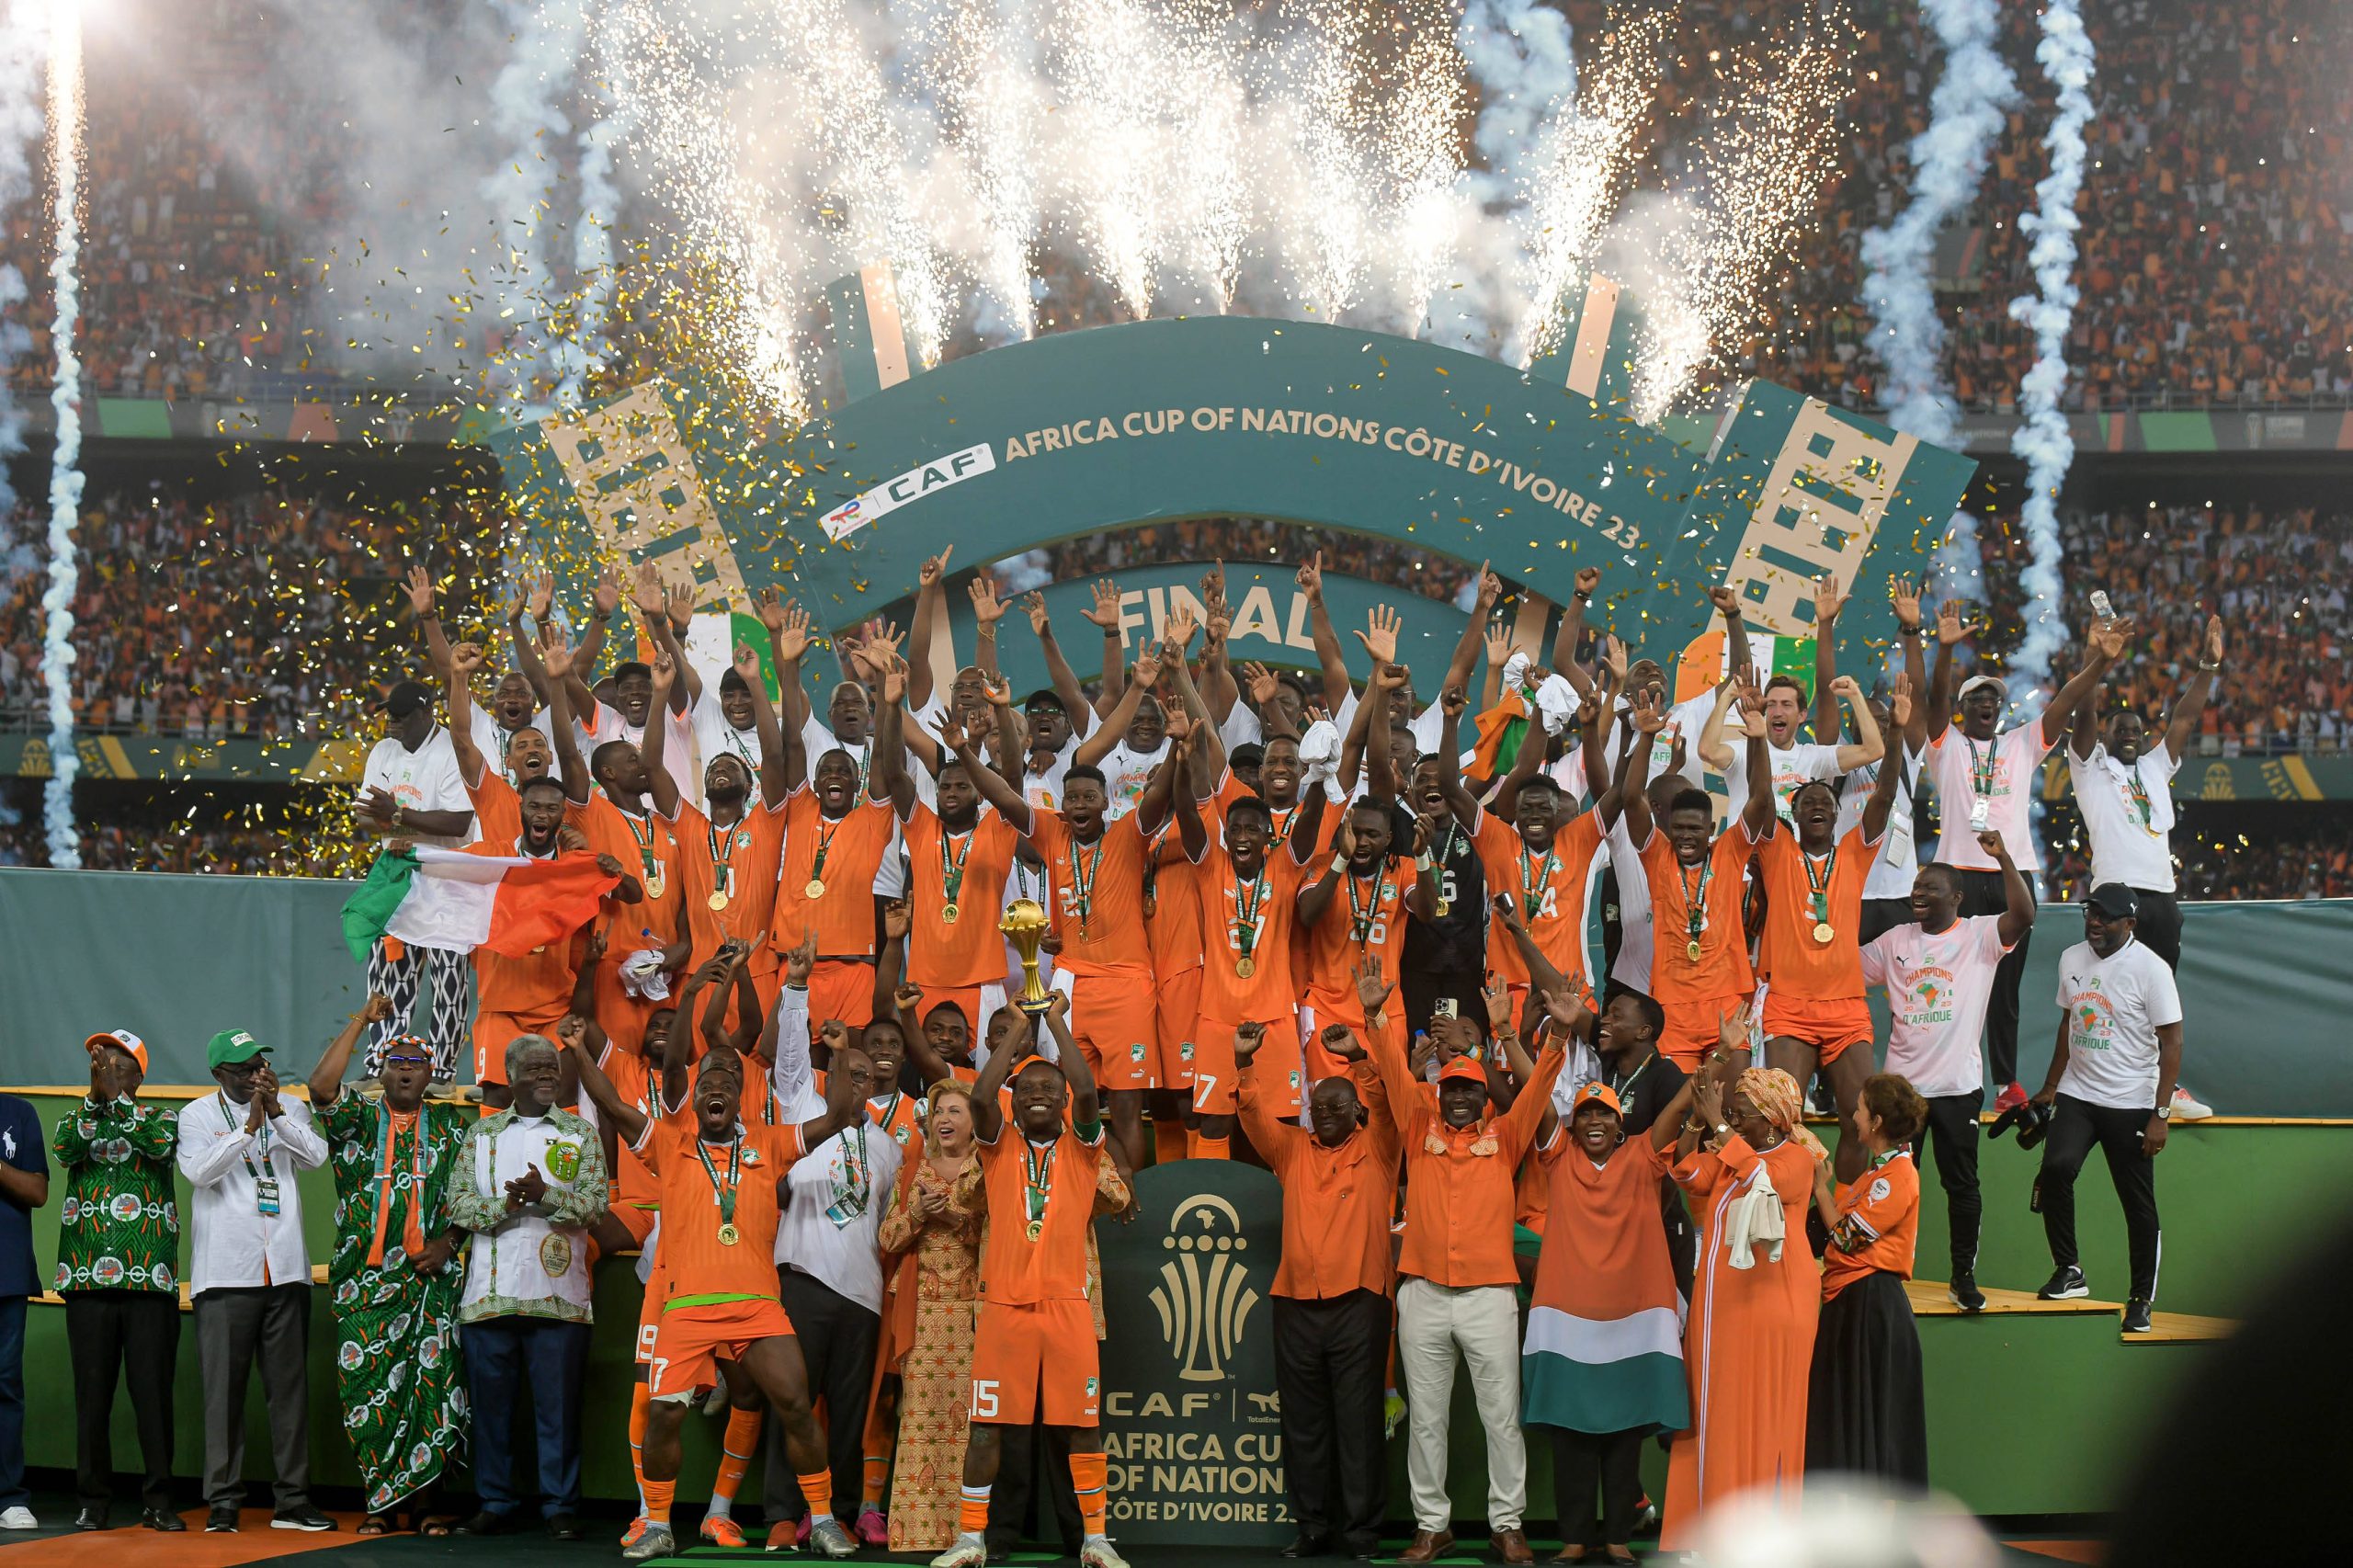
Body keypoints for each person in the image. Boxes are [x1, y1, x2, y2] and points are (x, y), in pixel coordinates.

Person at [575, 986, 866, 1560]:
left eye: (727, 1084)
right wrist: (579, 1050)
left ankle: (826, 1518)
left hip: (758, 1305)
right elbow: (610, 1104)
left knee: (797, 1407)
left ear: (740, 1097)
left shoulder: (769, 1143)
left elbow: (835, 1118)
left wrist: (837, 1052)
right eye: (707, 1081)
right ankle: (657, 1523)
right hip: (685, 1307)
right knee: (662, 1415)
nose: (717, 1088)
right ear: (694, 1094)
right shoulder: (667, 1142)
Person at [1363, 956, 1564, 1567]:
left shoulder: (1505, 1138)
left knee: (1501, 1418)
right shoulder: (1416, 1123)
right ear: (1438, 1092)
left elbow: (1540, 1087)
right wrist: (1373, 1018)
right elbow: (1395, 1075)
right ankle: (1433, 1526)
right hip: (1422, 1292)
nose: (1457, 1098)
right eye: (1449, 1088)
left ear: (1483, 1095)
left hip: (1487, 1298)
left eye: (1468, 1089)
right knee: (1427, 1422)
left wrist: (1516, 1033)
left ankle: (1507, 1525)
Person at [927, 993, 1124, 1568]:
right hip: (1005, 1311)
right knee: (987, 1430)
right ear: (1015, 1103)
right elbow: (981, 1095)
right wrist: (1016, 1028)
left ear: (1064, 1103)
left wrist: (1057, 1024)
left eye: (1050, 1090)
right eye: (1029, 1089)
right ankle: (970, 1539)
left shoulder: (1085, 1151)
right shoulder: (997, 1145)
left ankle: (1094, 1539)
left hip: (1067, 1310)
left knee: (1082, 1430)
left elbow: (1089, 1091)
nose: (1039, 1094)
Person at [1922, 604, 2125, 1113]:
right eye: (1977, 697)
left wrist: (2099, 664)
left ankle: (2006, 1083)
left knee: (2004, 989)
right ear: (1963, 708)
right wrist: (1944, 650)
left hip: (2013, 877)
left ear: (2001, 709)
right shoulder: (1944, 746)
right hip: (1957, 878)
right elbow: (1934, 700)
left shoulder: (2020, 744)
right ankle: (1945, 1077)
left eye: (1994, 698)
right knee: (1953, 984)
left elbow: (2066, 701)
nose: (1987, 703)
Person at [1236, 1011, 1400, 1563]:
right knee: (1302, 1422)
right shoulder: (1292, 1150)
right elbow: (1255, 1117)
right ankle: (1311, 1526)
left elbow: (1383, 1102)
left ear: (1357, 1111)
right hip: (1296, 1304)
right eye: (1318, 1106)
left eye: (1338, 1105)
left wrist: (1357, 1058)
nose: (1326, 1113)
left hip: (1359, 1302)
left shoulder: (1380, 1149)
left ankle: (1359, 1533)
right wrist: (1244, 1063)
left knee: (1357, 1421)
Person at [307, 1000, 472, 1535]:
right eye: (396, 1060)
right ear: (381, 1070)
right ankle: (378, 1504)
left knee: (429, 1389)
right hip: (363, 1283)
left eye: (417, 1062)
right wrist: (360, 1019)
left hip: (429, 1283)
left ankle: (424, 1506)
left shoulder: (451, 1125)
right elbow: (321, 1088)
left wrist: (450, 1242)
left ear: (431, 1075)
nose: (406, 1067)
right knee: (366, 1391)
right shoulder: (357, 1118)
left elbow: (472, 1197)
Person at [1658, 1048, 1825, 1554]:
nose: (1731, 1119)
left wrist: (1719, 1128)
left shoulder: (1797, 1158)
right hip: (1722, 1311)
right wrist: (1696, 1117)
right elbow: (1687, 1172)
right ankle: (1707, 1532)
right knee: (1714, 1416)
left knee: (1762, 1416)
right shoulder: (1730, 1160)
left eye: (1741, 1112)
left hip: (1774, 1308)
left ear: (1772, 1119)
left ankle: (1760, 1538)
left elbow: (1764, 1182)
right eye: (1731, 1111)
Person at [1523, 1067, 1691, 1568]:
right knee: (1570, 1435)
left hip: (1632, 1324)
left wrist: (1722, 1055)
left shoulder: (1642, 1156)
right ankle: (1574, 1538)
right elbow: (1539, 1102)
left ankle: (1617, 1537)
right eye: (1586, 1114)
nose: (1594, 1121)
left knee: (1623, 1434)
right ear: (1573, 1126)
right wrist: (1510, 1035)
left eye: (1605, 1114)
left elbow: (1676, 1110)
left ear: (1620, 1127)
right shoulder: (1557, 1157)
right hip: (1566, 1323)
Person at [1859, 834, 2034, 1312]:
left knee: (1962, 1186)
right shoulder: (1895, 941)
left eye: (1930, 888)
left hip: (1957, 1088)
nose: (1918, 893)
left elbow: (2024, 916)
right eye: (1916, 886)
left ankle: (1963, 1277)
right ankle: (1886, 1272)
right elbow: (1845, 971)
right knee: (1894, 1184)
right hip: (1900, 1092)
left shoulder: (1979, 936)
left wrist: (2002, 858)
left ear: (1956, 897)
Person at [759, 983, 905, 1550]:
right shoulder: (802, 1113)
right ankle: (781, 1510)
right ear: (832, 1073)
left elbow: (889, 1226)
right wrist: (796, 992)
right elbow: (790, 1057)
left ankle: (838, 1513)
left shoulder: (890, 1148)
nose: (858, 1082)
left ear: (876, 1085)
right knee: (792, 1404)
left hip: (863, 1294)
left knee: (846, 1414)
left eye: (867, 1075)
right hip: (803, 1282)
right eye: (848, 1070)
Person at [446, 1033, 609, 1538]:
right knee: (492, 1410)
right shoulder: (482, 1135)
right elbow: (458, 1205)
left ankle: (560, 1505)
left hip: (558, 1298)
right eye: (535, 1069)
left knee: (557, 1409)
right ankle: (494, 1502)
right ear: (511, 1076)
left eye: (552, 1069)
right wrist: (508, 1207)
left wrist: (546, 1198)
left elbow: (596, 1205)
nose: (546, 1076)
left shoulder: (580, 1134)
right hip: (488, 1299)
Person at [176, 1028, 334, 1534]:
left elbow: (315, 1158)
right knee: (223, 1394)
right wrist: (248, 1128)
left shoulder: (290, 1107)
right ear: (219, 1075)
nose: (255, 1075)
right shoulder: (197, 1115)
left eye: (260, 1065)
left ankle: (293, 1501)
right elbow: (200, 1173)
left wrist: (278, 1115)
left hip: (285, 1268)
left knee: (289, 1392)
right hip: (226, 1273)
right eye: (243, 1069)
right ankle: (223, 1502)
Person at [2066, 613, 2222, 1120]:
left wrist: (2207, 666)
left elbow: (2182, 719)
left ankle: (2162, 1089)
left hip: (2161, 897)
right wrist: (2097, 658)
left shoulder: (2155, 767)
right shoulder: (2090, 768)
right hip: (2114, 897)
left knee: (2159, 999)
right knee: (2108, 1000)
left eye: (2136, 729)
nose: (2130, 735)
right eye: (2121, 730)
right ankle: (2095, 1084)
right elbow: (2084, 709)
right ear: (2106, 737)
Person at [1752, 675, 1908, 1177]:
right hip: (1789, 1007)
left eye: (1825, 804)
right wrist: (1758, 738)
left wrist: (1898, 732)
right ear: (1791, 815)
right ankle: (1791, 1225)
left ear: (1838, 814)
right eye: (1807, 804)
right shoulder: (1776, 852)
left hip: (1845, 1008)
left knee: (1862, 1120)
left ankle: (1838, 1219)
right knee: (1779, 1120)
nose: (1817, 807)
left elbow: (1883, 796)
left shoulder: (1855, 854)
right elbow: (1758, 792)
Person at [2029, 884, 2184, 1335]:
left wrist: (2161, 1113)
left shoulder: (2151, 970)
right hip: (2079, 1094)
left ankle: (2140, 1299)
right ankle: (2069, 1270)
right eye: (2089, 912)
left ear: (2129, 924)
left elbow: (2172, 1042)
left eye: (2105, 917)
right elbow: (2068, 1022)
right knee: (2056, 1169)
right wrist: (2050, 1086)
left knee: (2136, 1205)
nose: (2093, 922)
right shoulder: (2071, 958)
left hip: (2132, 1101)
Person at [53, 1031, 180, 1533]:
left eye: (117, 1061)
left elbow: (159, 1147)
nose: (105, 1067)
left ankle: (160, 1501)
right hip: (85, 1279)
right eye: (101, 1060)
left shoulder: (161, 1119)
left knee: (152, 1395)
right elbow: (65, 1150)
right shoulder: (76, 1119)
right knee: (92, 1396)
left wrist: (118, 1102)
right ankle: (93, 1501)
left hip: (149, 1279)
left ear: (138, 1073)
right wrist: (94, 1100)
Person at [1620, 682, 1776, 1068]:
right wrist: (1645, 737)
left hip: (1727, 1001)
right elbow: (1629, 799)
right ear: (1668, 826)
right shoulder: (1656, 855)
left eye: (1696, 829)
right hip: (1672, 1006)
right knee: (1680, 1114)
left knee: (1727, 1109)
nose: (1686, 836)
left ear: (1711, 829)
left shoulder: (1730, 851)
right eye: (1680, 828)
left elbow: (1760, 800)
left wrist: (1758, 741)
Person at [875, 1084, 988, 1551]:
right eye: (939, 1110)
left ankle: (967, 1533)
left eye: (955, 1110)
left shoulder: (988, 1170)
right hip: (921, 1314)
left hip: (973, 1315)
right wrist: (919, 1214)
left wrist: (955, 1221)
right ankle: (915, 1533)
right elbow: (887, 1238)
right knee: (919, 1418)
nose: (944, 1118)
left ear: (973, 1121)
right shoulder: (911, 1173)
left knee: (966, 1424)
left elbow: (998, 1236)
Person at [1806, 1073, 1930, 1486]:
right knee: (1848, 1421)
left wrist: (1820, 1189)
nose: (1853, 1116)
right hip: (1850, 1300)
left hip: (1872, 1304)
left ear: (1875, 1121)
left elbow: (1846, 1236)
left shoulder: (1898, 1175)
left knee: (1879, 1424)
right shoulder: (1873, 1174)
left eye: (1859, 1108)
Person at [354, 677, 477, 1083]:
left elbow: (460, 820)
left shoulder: (450, 751)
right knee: (389, 974)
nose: (392, 723)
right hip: (396, 872)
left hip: (447, 876)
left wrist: (398, 815)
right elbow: (364, 816)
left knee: (448, 981)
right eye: (389, 714)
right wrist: (394, 819)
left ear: (427, 713)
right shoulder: (383, 750)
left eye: (402, 717)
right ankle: (381, 1066)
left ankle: (440, 1073)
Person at [0, 1084, 45, 1532]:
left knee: (5, 1384)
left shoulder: (18, 1112)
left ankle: (9, 1496)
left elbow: (36, 1191)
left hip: (6, 1274)